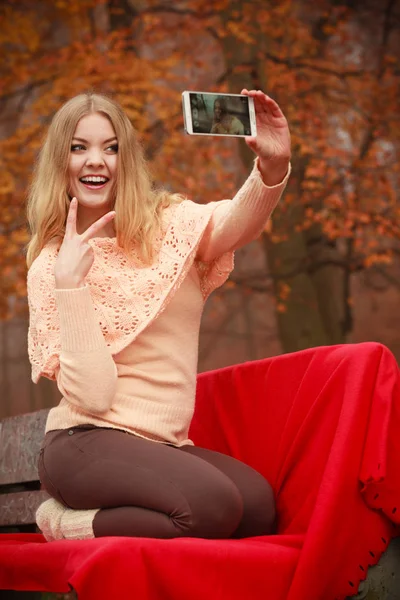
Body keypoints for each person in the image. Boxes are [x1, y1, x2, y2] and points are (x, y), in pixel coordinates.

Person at [26, 88, 291, 541]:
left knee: (257, 509)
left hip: (161, 444)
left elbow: (232, 224)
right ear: (60, 162)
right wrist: (71, 287)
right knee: (212, 507)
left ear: (126, 160)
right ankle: (65, 523)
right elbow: (92, 397)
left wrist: (273, 165)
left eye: (111, 148)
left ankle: (94, 520)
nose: (96, 160)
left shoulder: (167, 225)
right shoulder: (52, 266)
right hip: (84, 442)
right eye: (79, 148)